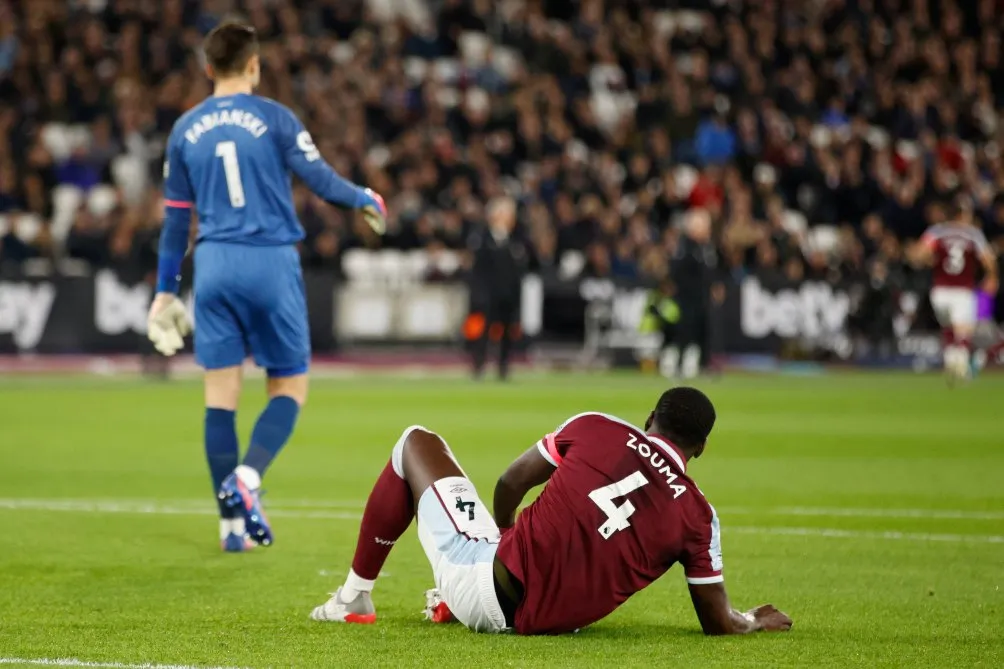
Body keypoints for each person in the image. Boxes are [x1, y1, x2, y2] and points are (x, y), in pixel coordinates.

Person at [146, 21, 387, 552]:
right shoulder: (275, 117)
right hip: (270, 260)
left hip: (213, 263)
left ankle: (231, 527)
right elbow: (321, 181)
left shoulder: (185, 129)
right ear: (254, 65)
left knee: (220, 398)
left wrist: (165, 290)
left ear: (208, 67)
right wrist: (365, 198)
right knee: (290, 387)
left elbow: (175, 220)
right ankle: (249, 476)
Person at [309, 387, 793, 637]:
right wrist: (752, 619)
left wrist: (502, 537)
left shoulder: (598, 426)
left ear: (650, 419)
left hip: (489, 589)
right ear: (701, 448)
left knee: (414, 441)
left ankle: (354, 598)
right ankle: (454, 596)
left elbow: (510, 482)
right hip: (559, 622)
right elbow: (717, 621)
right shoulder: (700, 516)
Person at [914, 199, 998, 380]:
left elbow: (919, 255)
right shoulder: (973, 234)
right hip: (963, 290)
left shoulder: (936, 232)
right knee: (964, 330)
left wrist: (930, 260)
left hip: (939, 291)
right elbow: (988, 259)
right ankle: (961, 368)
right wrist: (992, 277)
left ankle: (951, 361)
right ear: (961, 215)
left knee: (949, 328)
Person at [467, 196, 527, 380]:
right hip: (488, 295)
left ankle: (503, 366)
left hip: (507, 295)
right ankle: (479, 364)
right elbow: (478, 270)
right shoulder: (482, 238)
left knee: (508, 332)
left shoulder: (516, 240)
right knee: (483, 331)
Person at [671, 208, 718, 378]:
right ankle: (679, 364)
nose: (708, 230)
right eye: (705, 227)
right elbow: (678, 271)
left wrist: (713, 285)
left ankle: (704, 364)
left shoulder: (707, 247)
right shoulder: (685, 247)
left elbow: (710, 270)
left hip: (703, 296)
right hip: (688, 297)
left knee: (704, 330)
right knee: (686, 330)